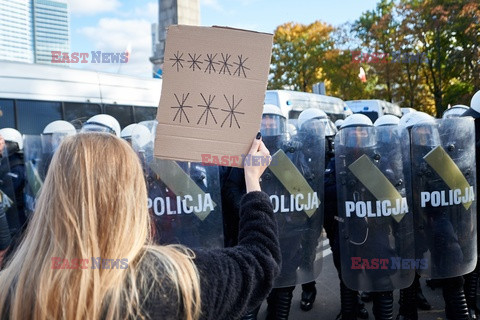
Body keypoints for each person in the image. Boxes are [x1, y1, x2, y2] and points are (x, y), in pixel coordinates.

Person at [0, 132, 281, 320]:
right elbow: (260, 262)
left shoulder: (12, 287)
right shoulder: (169, 278)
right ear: (131, 193)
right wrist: (253, 181)